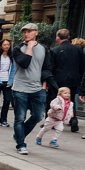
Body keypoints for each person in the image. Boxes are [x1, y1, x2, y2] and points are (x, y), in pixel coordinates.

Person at [11, 23, 54, 155]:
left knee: (38, 116)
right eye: (24, 31)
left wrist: (44, 85)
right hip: (20, 88)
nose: (26, 34)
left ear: (36, 32)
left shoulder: (43, 49)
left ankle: (19, 134)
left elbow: (47, 67)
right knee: (20, 117)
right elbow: (24, 64)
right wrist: (29, 48)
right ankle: (21, 144)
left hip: (37, 88)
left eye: (29, 31)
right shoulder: (17, 49)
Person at [49, 29, 83, 132]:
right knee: (70, 99)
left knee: (57, 101)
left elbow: (51, 67)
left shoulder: (54, 50)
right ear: (68, 37)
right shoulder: (78, 49)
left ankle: (55, 121)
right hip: (73, 80)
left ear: (57, 38)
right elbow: (82, 66)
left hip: (59, 80)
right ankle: (73, 118)